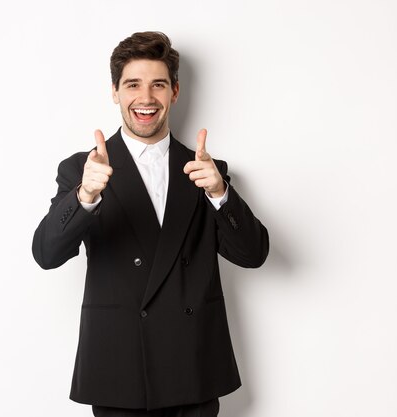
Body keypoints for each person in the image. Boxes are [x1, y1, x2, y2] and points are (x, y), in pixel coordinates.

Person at [32, 31, 269, 417]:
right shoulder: (83, 169)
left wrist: (220, 193)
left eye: (158, 84)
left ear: (174, 92)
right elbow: (46, 254)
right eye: (133, 85)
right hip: (119, 369)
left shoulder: (206, 170)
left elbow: (254, 254)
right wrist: (84, 197)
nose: (145, 98)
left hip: (193, 367)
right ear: (115, 92)